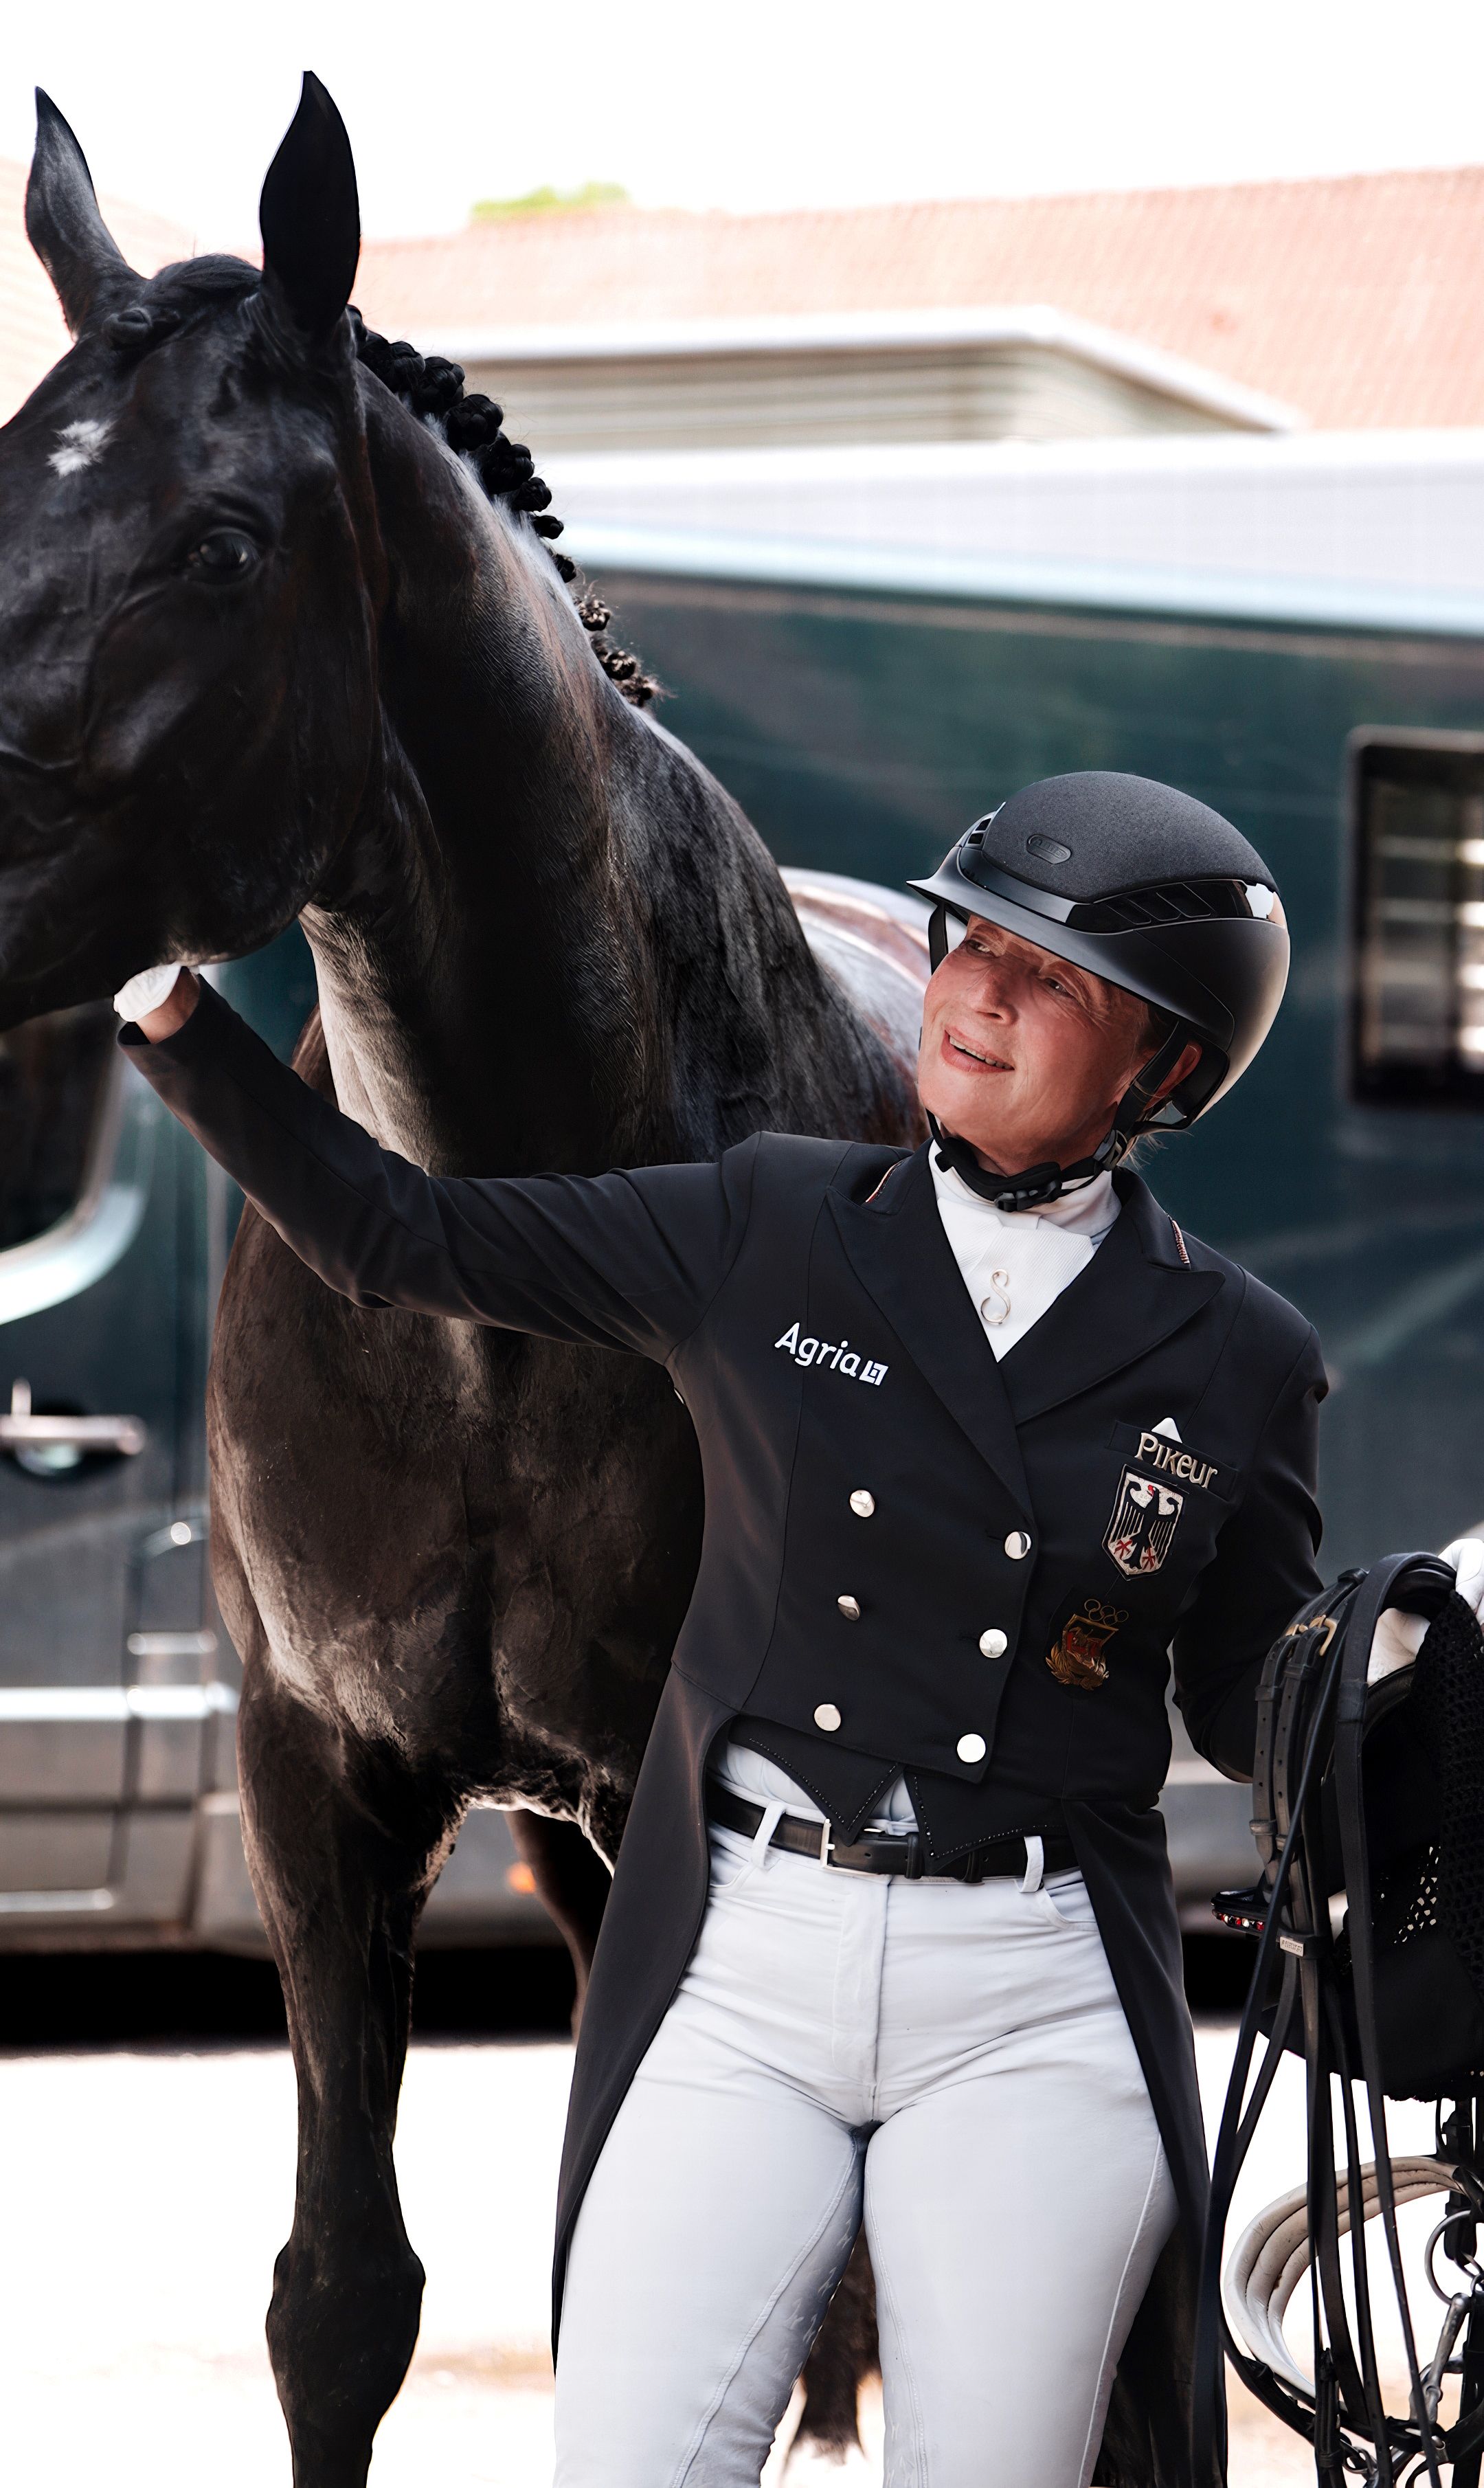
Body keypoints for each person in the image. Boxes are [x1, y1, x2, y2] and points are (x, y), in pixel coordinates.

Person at [113, 770, 1483, 2488]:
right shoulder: (764, 1220)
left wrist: (1383, 1672)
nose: (973, 989)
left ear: (1169, 1071)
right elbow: (400, 1233)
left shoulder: (1242, 1355)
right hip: (739, 1966)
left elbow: (1233, 1690)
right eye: (969, 942)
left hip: (1035, 1997)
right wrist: (169, 1007)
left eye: (1046, 975)